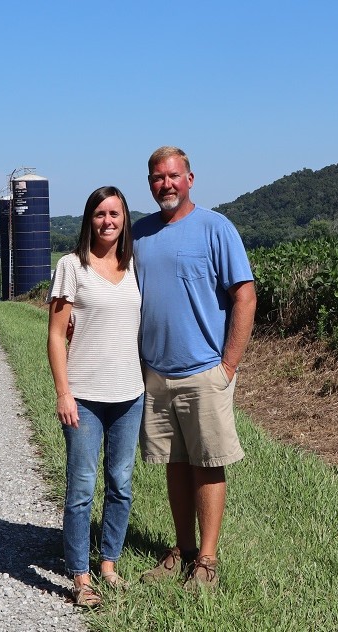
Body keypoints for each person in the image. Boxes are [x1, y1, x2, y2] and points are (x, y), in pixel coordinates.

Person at [131, 146, 257, 591]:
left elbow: (244, 295)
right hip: (157, 373)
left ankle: (207, 561)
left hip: (205, 370)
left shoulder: (215, 228)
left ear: (189, 178)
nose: (165, 184)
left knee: (208, 463)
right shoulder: (140, 233)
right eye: (157, 178)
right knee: (175, 464)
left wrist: (228, 365)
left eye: (173, 176)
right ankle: (181, 549)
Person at [47, 186, 144, 608]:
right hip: (84, 395)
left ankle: (109, 564)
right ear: (89, 219)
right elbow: (54, 335)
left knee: (121, 484)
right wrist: (63, 392)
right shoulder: (72, 266)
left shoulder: (136, 266)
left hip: (130, 394)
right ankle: (80, 576)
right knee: (82, 488)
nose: (108, 221)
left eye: (115, 214)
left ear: (125, 220)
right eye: (100, 214)